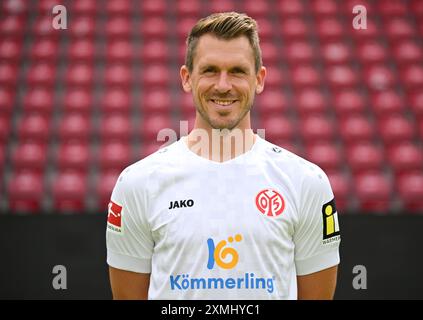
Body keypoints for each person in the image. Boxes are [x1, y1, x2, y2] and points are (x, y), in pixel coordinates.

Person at [106, 12, 341, 300]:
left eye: (238, 71)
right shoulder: (137, 184)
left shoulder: (306, 182)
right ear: (186, 78)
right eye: (210, 70)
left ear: (259, 79)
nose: (223, 85)